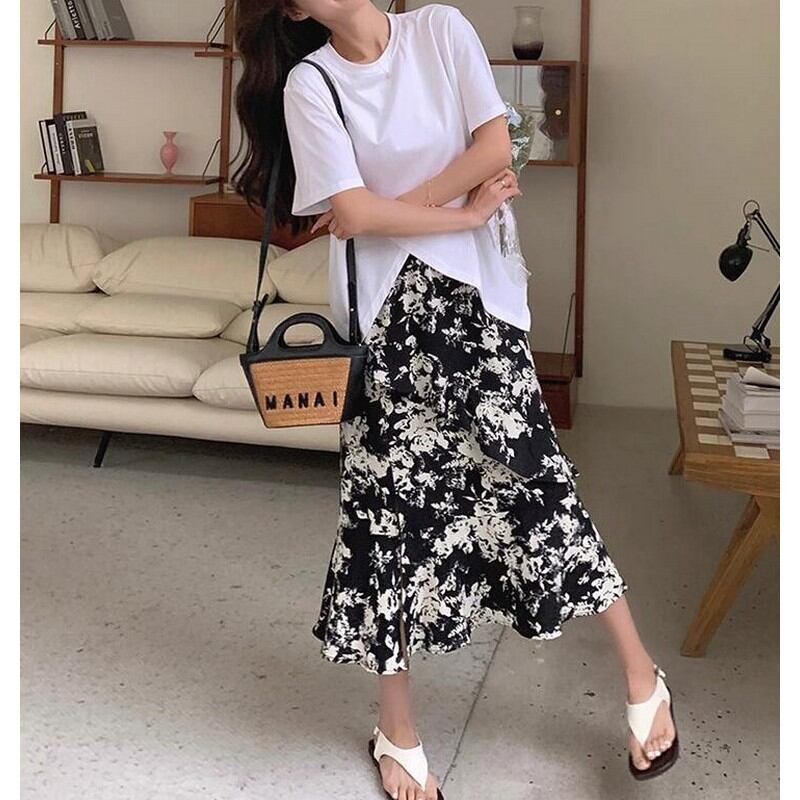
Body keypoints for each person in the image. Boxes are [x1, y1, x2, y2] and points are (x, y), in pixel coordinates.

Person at [232, 2, 678, 798]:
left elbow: (494, 145)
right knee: (385, 517)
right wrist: (458, 209)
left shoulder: (441, 30)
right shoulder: (311, 83)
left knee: (540, 485)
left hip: (478, 306)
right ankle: (396, 729)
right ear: (293, 7)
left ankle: (643, 677)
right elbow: (351, 214)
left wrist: (418, 211)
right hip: (386, 325)